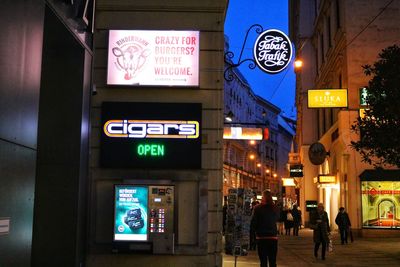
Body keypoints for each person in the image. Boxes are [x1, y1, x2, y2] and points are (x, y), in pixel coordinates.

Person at [251, 190, 279, 267]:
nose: (261, 198)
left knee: (263, 261)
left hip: (261, 238)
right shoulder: (275, 208)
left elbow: (254, 223)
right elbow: (277, 218)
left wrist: (254, 234)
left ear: (265, 198)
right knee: (272, 261)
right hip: (273, 237)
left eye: (262, 196)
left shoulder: (257, 208)